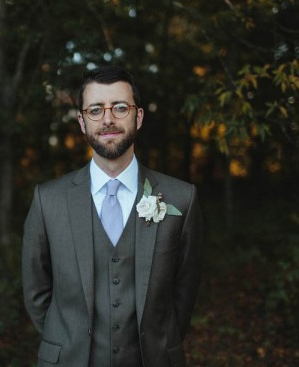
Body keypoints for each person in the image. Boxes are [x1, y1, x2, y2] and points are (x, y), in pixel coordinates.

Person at [22, 66, 203, 367]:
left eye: (120, 107)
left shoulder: (181, 198)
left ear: (139, 116)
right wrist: (70, 341)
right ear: (82, 121)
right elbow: (35, 292)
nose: (108, 119)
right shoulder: (48, 200)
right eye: (95, 110)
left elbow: (184, 293)